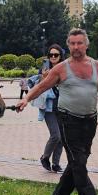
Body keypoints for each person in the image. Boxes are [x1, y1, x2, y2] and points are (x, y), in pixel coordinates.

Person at [16, 28, 98, 195]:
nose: (76, 47)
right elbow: (42, 86)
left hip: (90, 120)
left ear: (86, 44)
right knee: (78, 160)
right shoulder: (61, 68)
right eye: (72, 43)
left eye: (80, 43)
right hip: (67, 119)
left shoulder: (97, 66)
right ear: (68, 45)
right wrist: (26, 99)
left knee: (80, 158)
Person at [35, 44, 65, 173]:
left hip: (63, 107)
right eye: (51, 55)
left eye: (56, 55)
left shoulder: (64, 68)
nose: (53, 57)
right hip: (49, 108)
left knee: (62, 138)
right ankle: (45, 157)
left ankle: (56, 164)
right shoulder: (44, 68)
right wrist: (44, 77)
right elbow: (39, 87)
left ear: (60, 56)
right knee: (55, 135)